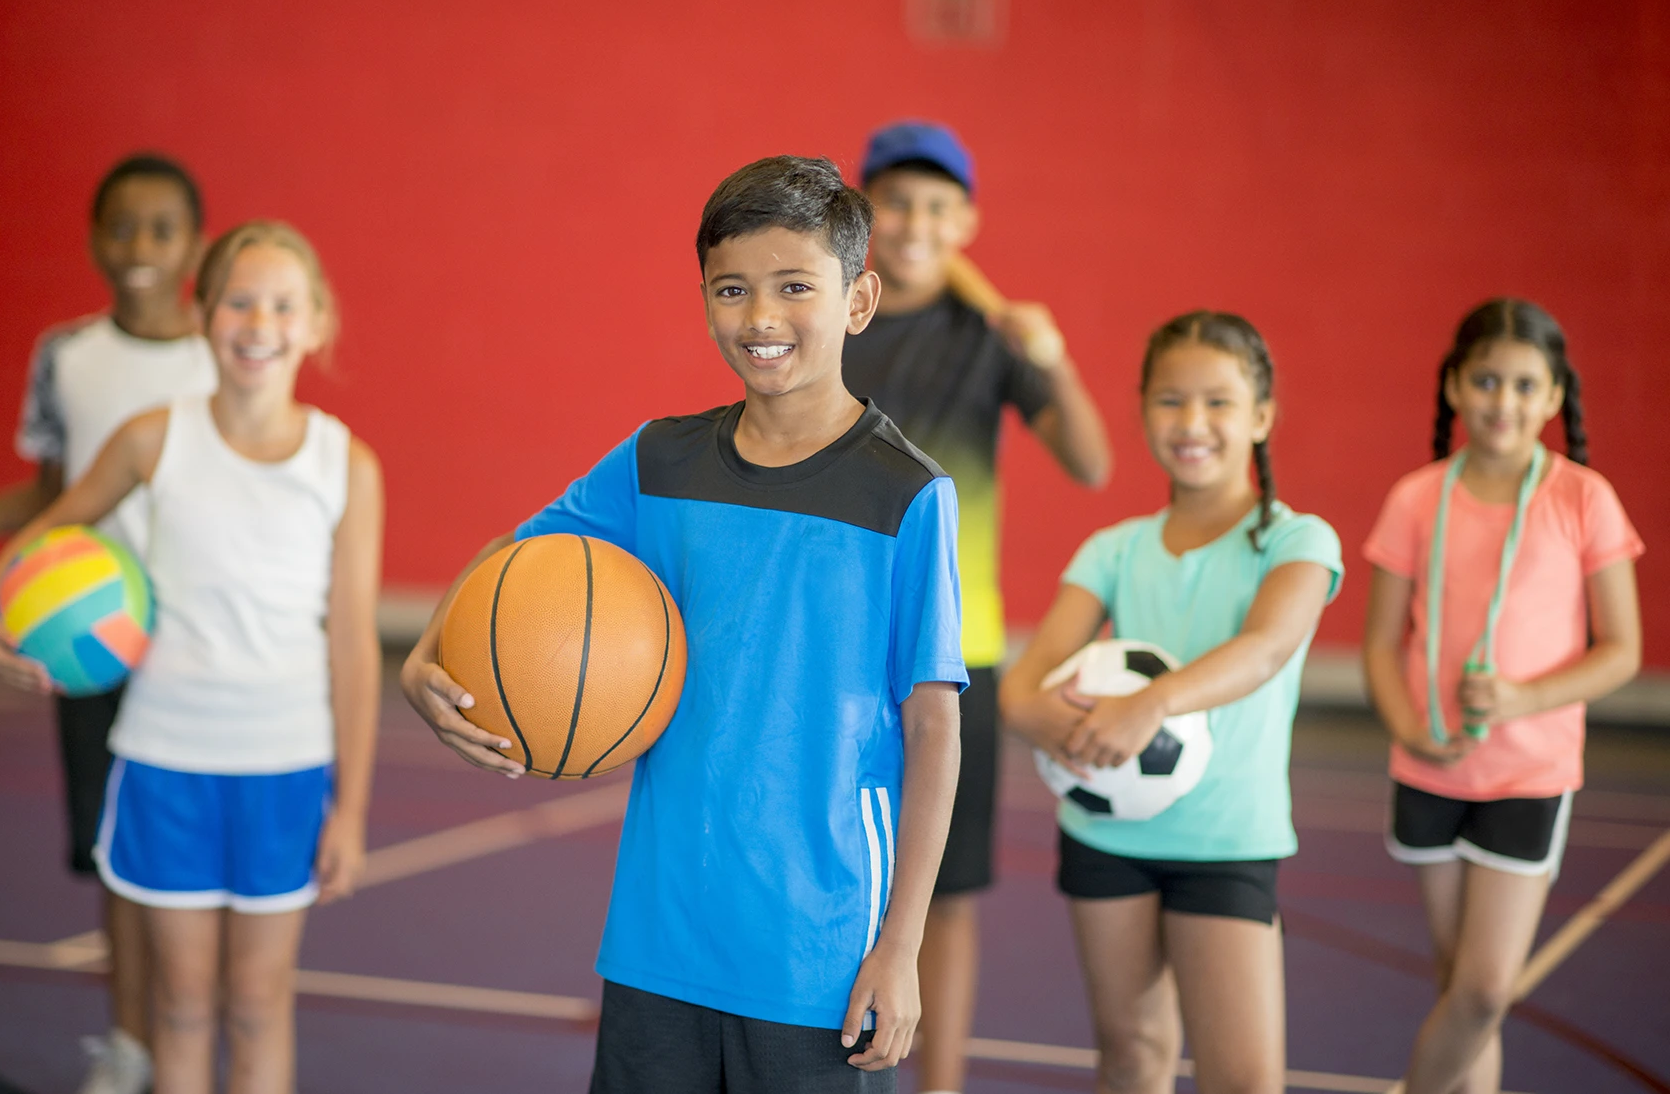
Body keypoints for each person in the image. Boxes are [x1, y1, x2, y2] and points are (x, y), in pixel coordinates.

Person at [400, 155, 966, 1093]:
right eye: (732, 289)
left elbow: (936, 729)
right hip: (659, 935)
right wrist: (427, 651)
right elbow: (514, 556)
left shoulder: (906, 493)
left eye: (795, 287)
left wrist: (900, 947)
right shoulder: (658, 460)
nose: (761, 318)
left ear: (859, 300)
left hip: (816, 953)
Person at [0, 221, 384, 1094]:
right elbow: (51, 528)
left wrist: (350, 807)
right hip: (164, 761)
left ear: (316, 324)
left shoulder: (345, 463)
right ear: (204, 315)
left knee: (259, 1005)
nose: (257, 320)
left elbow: (352, 642)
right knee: (183, 1006)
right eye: (239, 298)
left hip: (286, 767)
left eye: (281, 303)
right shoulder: (154, 437)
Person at [0, 152, 217, 1094]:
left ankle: (193, 1039)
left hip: (198, 645)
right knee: (117, 858)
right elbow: (52, 494)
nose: (139, 248)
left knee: (186, 853)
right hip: (90, 642)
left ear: (194, 243)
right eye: (120, 227)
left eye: (161, 229)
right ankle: (130, 1043)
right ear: (92, 239)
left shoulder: (220, 353)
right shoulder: (66, 356)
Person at [1000, 311, 1341, 1094]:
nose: (1193, 423)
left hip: (1226, 842)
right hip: (1106, 833)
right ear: (1145, 409)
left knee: (1243, 1079)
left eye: (1219, 402)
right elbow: (1024, 683)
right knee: (1131, 1055)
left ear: (1261, 416)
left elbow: (1264, 649)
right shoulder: (1113, 549)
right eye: (1171, 400)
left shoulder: (1298, 541)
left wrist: (1150, 704)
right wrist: (1043, 715)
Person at [844, 120, 1111, 1094]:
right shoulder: (835, 318)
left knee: (943, 895)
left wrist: (1053, 354)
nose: (915, 224)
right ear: (865, 212)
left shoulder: (992, 339)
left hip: (957, 654)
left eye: (937, 206)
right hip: (834, 649)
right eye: (897, 202)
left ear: (968, 221)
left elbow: (1090, 462)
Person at [1361, 299, 1642, 1094]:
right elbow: (1381, 642)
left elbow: (1623, 650)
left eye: (1525, 385)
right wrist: (1408, 725)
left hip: (1529, 773)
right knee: (1459, 986)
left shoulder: (1583, 497)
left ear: (1554, 397)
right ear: (1454, 386)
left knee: (1484, 990)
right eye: (1486, 380)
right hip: (1429, 771)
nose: (1503, 401)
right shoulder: (1417, 497)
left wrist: (1522, 698)